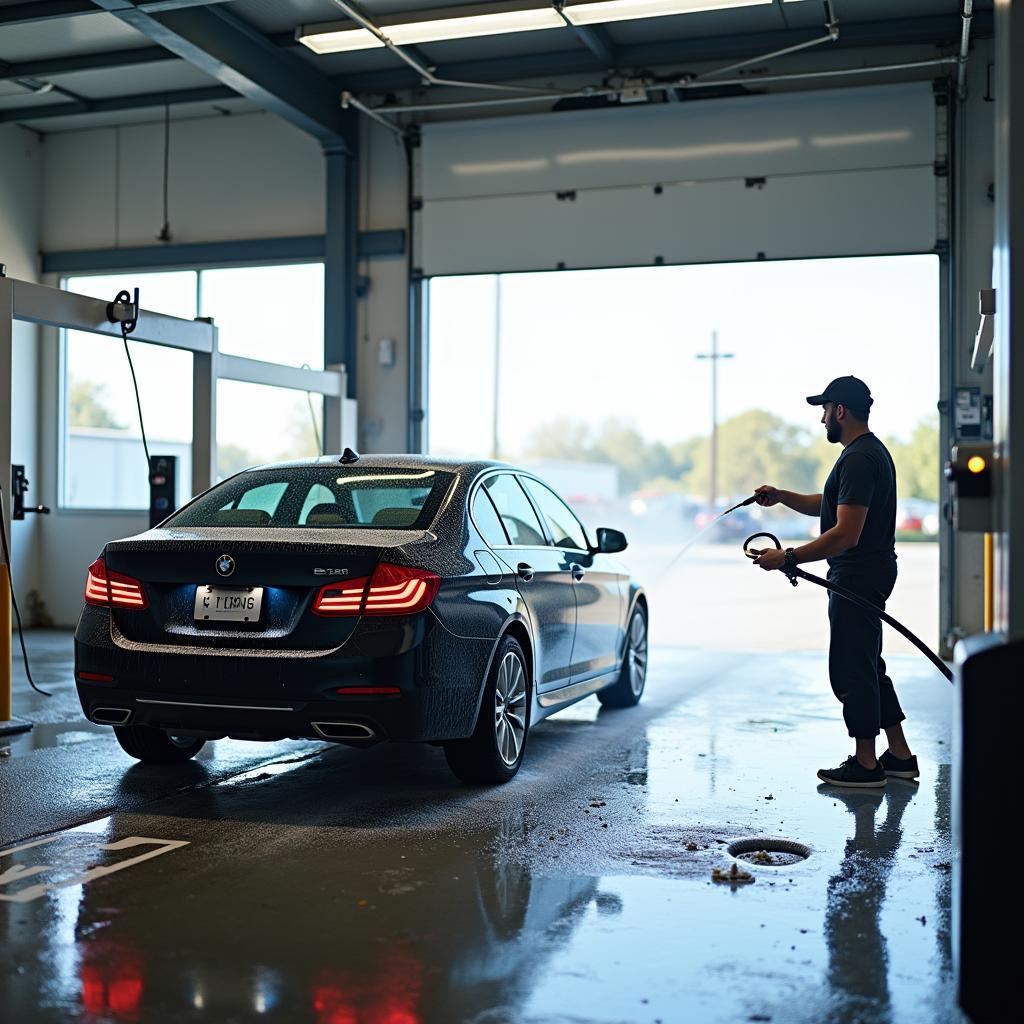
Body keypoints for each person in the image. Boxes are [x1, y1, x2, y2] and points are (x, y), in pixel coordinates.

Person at [752, 376, 919, 789]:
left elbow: (846, 533)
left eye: (824, 410)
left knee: (852, 668)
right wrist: (782, 496)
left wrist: (787, 558)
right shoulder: (863, 454)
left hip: (858, 573)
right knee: (868, 664)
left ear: (840, 411)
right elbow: (829, 506)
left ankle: (865, 765)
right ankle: (899, 756)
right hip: (868, 570)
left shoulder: (860, 459)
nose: (822, 418)